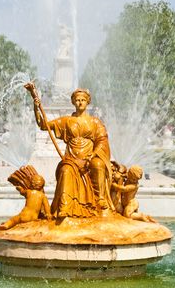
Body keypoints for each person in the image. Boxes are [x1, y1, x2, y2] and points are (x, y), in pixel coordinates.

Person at [26, 81, 113, 219]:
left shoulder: (95, 122)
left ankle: (100, 198)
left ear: (87, 102)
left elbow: (102, 141)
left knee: (98, 165)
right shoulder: (67, 121)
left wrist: (93, 155)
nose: (80, 103)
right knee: (65, 170)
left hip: (90, 157)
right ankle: (65, 207)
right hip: (71, 159)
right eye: (77, 100)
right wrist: (36, 107)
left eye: (83, 100)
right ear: (73, 102)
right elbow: (44, 125)